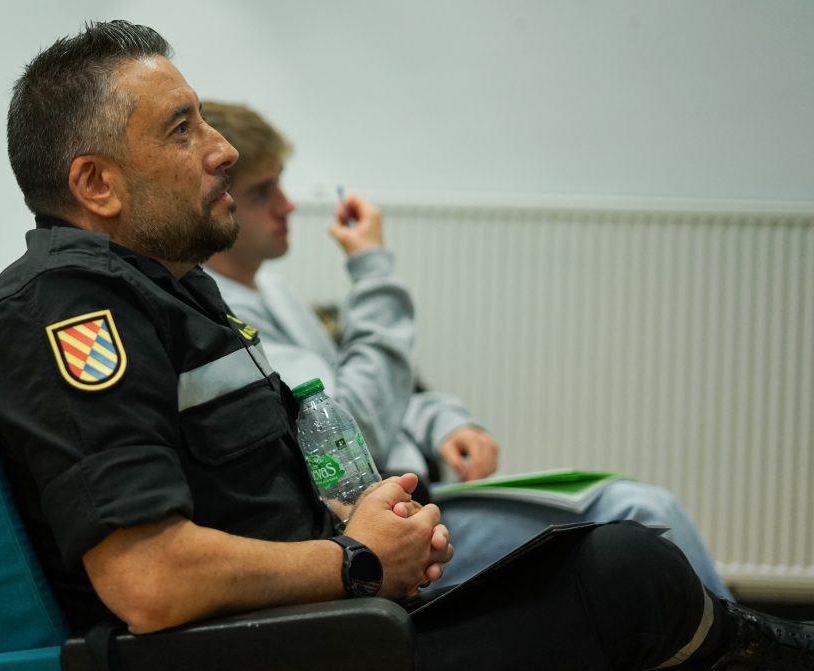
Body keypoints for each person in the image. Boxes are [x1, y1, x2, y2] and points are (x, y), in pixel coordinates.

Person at [0, 20, 813, 670]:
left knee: (612, 555)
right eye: (182, 129)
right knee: (623, 571)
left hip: (326, 616)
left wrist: (369, 521)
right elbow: (148, 581)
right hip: (265, 646)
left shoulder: (172, 286)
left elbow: (262, 482)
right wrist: (359, 558)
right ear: (96, 183)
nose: (220, 149)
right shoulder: (70, 305)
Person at [201, 102, 734, 598]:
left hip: (422, 496)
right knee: (638, 509)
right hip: (389, 532)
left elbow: (384, 392)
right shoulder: (228, 316)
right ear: (220, 202)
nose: (287, 204)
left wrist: (447, 424)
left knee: (631, 509)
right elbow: (353, 425)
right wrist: (373, 270)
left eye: (281, 185)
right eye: (262, 192)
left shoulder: (271, 291)